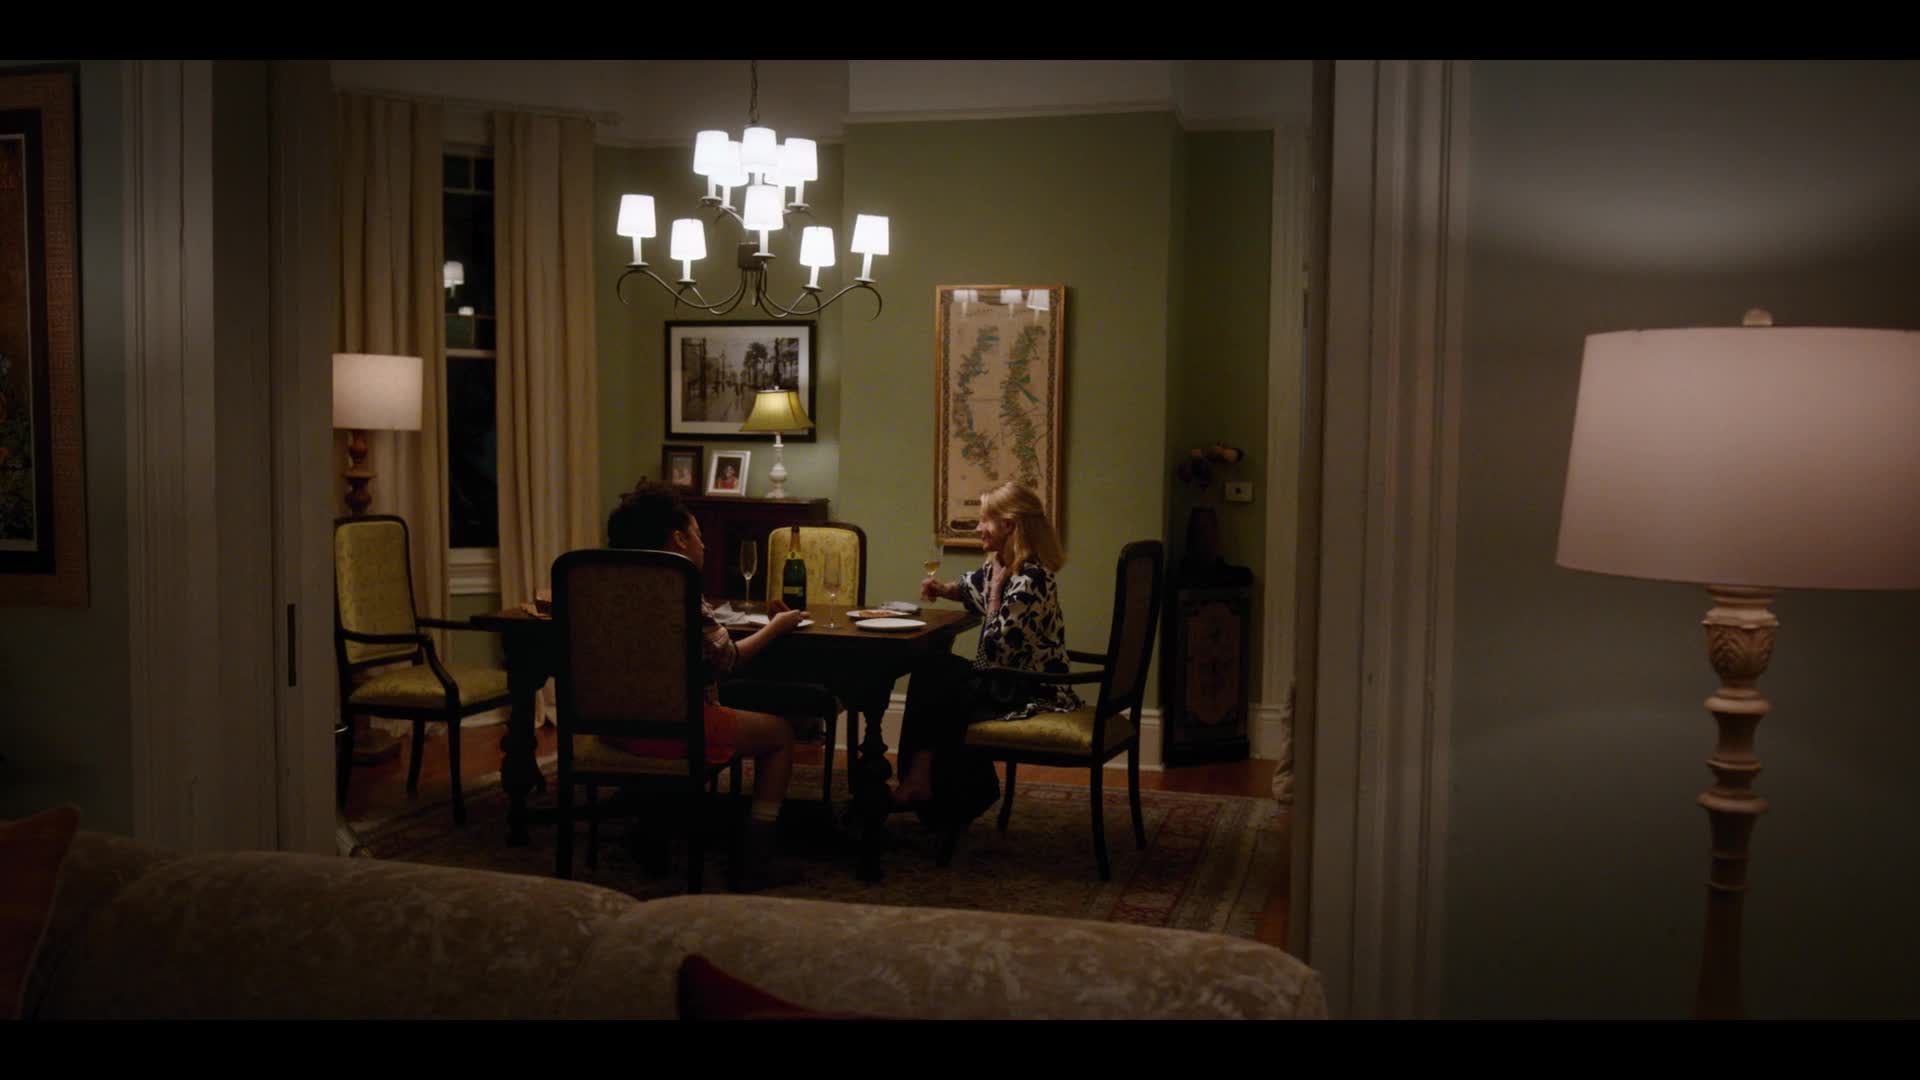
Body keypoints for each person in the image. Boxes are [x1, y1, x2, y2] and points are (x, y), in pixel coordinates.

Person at [603, 482, 811, 890]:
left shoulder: (603, 587)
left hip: (613, 727)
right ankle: (756, 857)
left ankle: (652, 829)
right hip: (676, 730)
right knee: (780, 734)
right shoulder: (678, 586)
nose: (705, 544)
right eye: (698, 534)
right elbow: (727, 659)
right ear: (679, 539)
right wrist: (776, 627)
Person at [892, 481, 1081, 813]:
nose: (978, 528)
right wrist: (943, 589)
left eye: (984, 520)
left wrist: (994, 597)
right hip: (1002, 679)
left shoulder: (1031, 578)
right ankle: (924, 781)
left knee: (938, 679)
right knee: (934, 670)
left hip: (1030, 688)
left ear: (1007, 525)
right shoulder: (1003, 566)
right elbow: (970, 587)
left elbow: (994, 652)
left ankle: (945, 789)